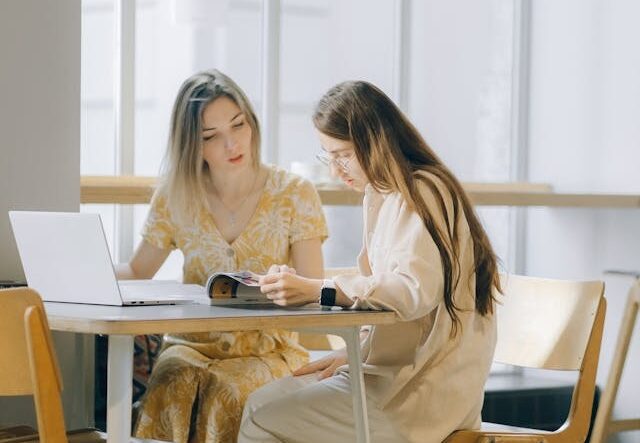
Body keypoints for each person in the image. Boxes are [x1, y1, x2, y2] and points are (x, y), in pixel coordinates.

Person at [238, 80, 501, 443]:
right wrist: (357, 353)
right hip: (387, 374)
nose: (335, 169)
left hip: (418, 393)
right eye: (327, 156)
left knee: (263, 419)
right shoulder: (382, 194)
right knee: (258, 403)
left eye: (343, 154)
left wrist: (319, 289)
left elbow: (411, 291)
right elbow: (390, 298)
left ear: (375, 140)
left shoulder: (423, 190)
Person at [114, 69, 328, 443]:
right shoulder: (175, 195)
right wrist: (80, 273)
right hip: (190, 346)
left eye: (239, 125)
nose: (232, 144)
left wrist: (287, 287)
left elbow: (314, 292)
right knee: (171, 382)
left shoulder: (294, 193)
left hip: (269, 350)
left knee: (228, 391)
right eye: (212, 137)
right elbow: (137, 270)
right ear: (193, 146)